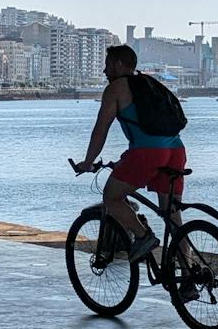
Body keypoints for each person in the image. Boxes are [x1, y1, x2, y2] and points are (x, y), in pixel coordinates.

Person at [77, 44, 186, 265]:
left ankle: (143, 236)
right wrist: (122, 162)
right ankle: (189, 277)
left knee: (111, 197)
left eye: (107, 65)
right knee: (172, 216)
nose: (104, 71)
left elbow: (101, 130)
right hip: (175, 150)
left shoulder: (116, 89)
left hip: (148, 153)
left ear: (118, 65)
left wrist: (87, 162)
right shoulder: (148, 83)